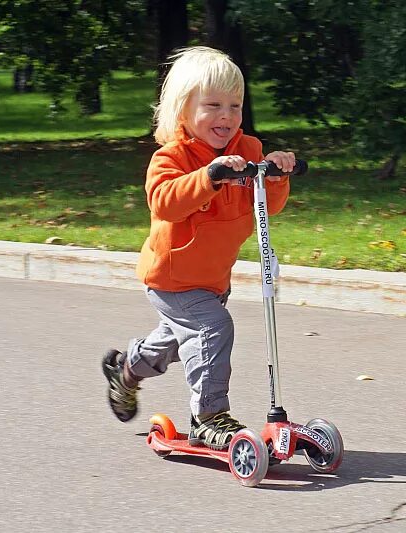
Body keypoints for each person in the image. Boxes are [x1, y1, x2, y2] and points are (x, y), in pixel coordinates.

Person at [102, 46, 295, 450]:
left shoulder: (250, 151)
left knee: (176, 342)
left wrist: (274, 176)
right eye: (212, 105)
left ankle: (127, 368)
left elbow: (268, 206)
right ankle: (209, 415)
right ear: (182, 111)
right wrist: (209, 176)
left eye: (234, 105)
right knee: (211, 329)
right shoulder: (170, 158)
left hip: (212, 278)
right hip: (173, 278)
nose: (226, 115)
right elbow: (165, 201)